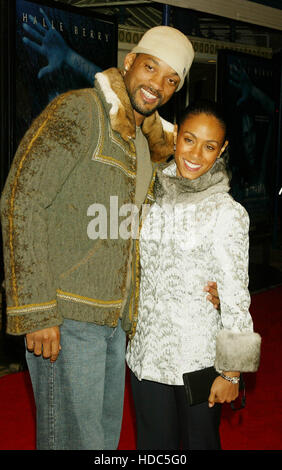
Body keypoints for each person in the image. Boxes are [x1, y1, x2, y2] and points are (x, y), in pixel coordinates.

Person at [0, 26, 219, 450]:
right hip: (65, 314)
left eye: (172, 79)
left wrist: (212, 284)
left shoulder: (152, 145)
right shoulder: (79, 111)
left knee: (101, 442)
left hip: (116, 322)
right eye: (151, 67)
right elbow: (20, 201)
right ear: (130, 62)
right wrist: (37, 309)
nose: (157, 84)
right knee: (71, 440)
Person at [126, 100, 261, 450]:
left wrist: (232, 371)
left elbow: (236, 297)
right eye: (189, 139)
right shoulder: (149, 197)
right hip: (146, 359)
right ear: (174, 138)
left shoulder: (227, 213)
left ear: (222, 150)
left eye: (210, 146)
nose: (196, 154)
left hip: (198, 363)